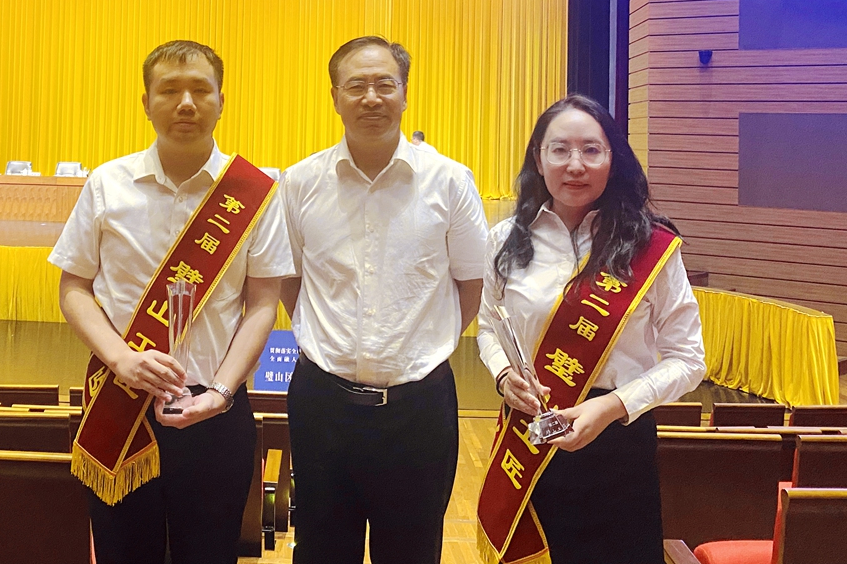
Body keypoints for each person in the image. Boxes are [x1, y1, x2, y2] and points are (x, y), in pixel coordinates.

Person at [49, 40, 294, 564]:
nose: (186, 103)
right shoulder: (107, 184)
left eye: (200, 90)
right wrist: (122, 358)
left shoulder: (255, 192)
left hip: (216, 412)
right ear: (146, 102)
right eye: (169, 90)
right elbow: (74, 288)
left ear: (221, 101)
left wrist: (222, 392)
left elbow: (262, 304)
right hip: (121, 403)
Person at [279, 36, 489, 564]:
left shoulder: (450, 182)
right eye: (356, 85)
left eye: (384, 84)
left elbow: (471, 284)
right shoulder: (300, 182)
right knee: (321, 551)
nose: (371, 97)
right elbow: (290, 280)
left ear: (404, 93)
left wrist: (421, 347)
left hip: (419, 410)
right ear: (334, 97)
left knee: (413, 552)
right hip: (322, 405)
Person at [476, 94, 705, 564]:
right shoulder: (505, 241)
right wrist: (503, 376)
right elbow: (487, 327)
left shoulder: (651, 245)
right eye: (560, 150)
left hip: (619, 444)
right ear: (538, 157)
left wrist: (609, 406)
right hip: (532, 439)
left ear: (612, 158)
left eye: (591, 150)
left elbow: (689, 360)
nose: (575, 165)